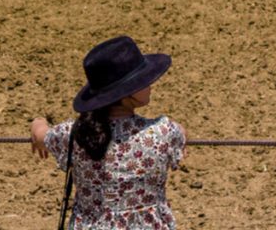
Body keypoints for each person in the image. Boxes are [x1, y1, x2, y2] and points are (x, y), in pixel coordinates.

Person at [30, 34, 186, 230]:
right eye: (142, 80)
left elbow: (40, 135)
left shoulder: (75, 134)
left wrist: (38, 122)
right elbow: (181, 132)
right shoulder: (163, 132)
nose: (150, 84)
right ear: (127, 92)